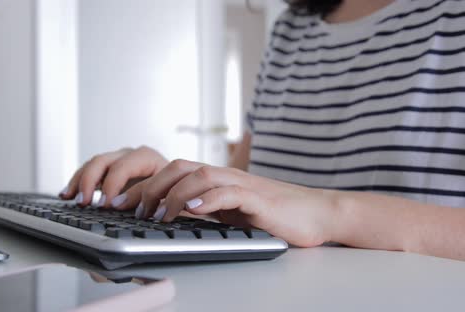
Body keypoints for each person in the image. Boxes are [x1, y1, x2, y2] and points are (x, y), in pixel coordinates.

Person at [61, 0, 465, 261]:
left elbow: (302, 206)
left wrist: (330, 212)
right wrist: (176, 194)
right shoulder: (293, 28)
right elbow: (253, 196)